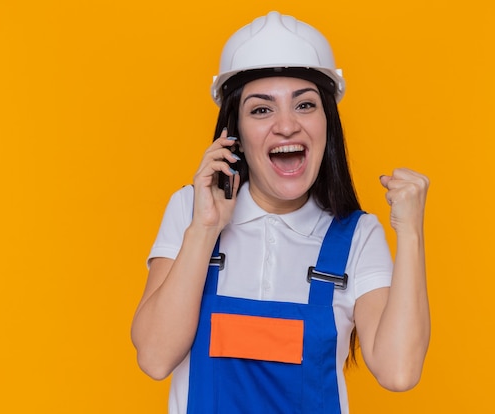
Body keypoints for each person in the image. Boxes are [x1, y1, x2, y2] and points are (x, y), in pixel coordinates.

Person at [131, 11, 430, 413]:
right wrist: (205, 229)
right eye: (261, 110)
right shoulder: (189, 210)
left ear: (328, 123)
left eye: (305, 105)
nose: (287, 126)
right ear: (233, 131)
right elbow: (154, 357)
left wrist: (410, 232)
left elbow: (399, 372)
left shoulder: (357, 236)